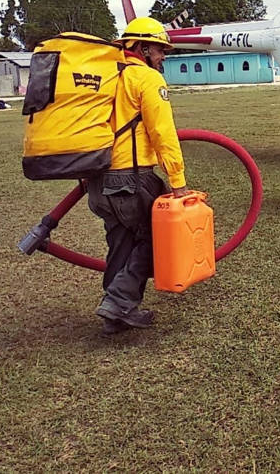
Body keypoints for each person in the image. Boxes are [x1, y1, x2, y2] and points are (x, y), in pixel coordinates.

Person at [88, 17, 189, 334]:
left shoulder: (104, 76)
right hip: (129, 179)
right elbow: (163, 133)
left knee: (122, 243)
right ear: (142, 48)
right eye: (160, 50)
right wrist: (178, 181)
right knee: (157, 240)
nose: (163, 57)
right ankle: (118, 302)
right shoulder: (146, 79)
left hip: (97, 179)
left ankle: (114, 314)